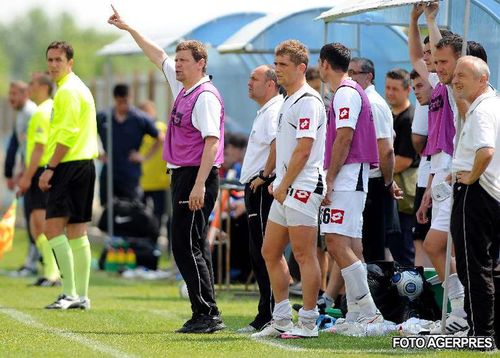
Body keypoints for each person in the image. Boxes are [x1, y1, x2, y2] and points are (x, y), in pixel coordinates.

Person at [108, 6, 225, 333]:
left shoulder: (204, 97)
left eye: (184, 60)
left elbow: (212, 143)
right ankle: (204, 311)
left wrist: (199, 185)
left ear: (201, 63)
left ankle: (208, 313)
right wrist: (129, 27)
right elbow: (156, 53)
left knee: (185, 245)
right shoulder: (183, 88)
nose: (176, 64)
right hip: (184, 175)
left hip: (195, 175)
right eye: (177, 59)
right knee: (191, 244)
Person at [252, 40, 326, 339]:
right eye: (276, 63)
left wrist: (282, 185)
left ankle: (308, 321)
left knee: (303, 253)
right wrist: (275, 180)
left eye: (283, 65)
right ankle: (282, 317)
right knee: (269, 250)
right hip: (285, 187)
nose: (277, 70)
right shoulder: (288, 100)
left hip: (304, 185)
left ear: (301, 68)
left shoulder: (309, 100)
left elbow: (304, 150)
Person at [318, 43, 383, 334]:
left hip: (348, 174)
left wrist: (330, 179)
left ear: (324, 64)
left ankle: (368, 310)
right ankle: (358, 311)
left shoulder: (345, 92)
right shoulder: (345, 91)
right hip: (352, 174)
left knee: (335, 242)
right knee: (352, 245)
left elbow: (344, 137)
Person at [412, 2, 468, 334]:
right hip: (442, 168)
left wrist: (430, 20)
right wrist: (416, 20)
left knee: (440, 246)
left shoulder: (454, 85)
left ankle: (461, 312)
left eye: (441, 58)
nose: (433, 62)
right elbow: (417, 57)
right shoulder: (439, 84)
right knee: (440, 246)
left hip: (455, 168)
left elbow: (447, 59)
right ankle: (459, 311)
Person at [39, 41, 98, 310]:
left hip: (70, 165)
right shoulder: (73, 88)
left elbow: (68, 134)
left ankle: (70, 292)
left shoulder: (68, 92)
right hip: (82, 165)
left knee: (52, 228)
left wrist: (50, 168)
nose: (53, 65)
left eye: (58, 60)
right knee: (76, 230)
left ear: (69, 62)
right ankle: (80, 296)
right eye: (50, 60)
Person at [451, 56, 499, 347]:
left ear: (482, 80)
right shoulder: (494, 104)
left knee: (473, 267)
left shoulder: (481, 110)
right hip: (493, 194)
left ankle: (482, 335)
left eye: (463, 75)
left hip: (476, 193)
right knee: (492, 268)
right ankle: (490, 332)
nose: (456, 80)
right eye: (456, 74)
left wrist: (469, 177)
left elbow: (486, 151)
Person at [237, 65, 282, 333]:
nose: (249, 83)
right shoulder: (265, 110)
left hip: (263, 189)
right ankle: (266, 313)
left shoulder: (274, 110)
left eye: (254, 78)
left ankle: (272, 314)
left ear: (270, 84)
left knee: (267, 253)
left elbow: (277, 145)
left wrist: (264, 176)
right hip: (256, 187)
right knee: (259, 254)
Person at [348, 57, 399, 263]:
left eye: (354, 73)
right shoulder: (361, 101)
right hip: (366, 181)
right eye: (347, 73)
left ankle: (377, 293)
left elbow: (385, 149)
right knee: (362, 244)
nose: (349, 78)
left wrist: (387, 182)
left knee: (373, 247)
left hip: (373, 182)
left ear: (368, 76)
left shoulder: (373, 104)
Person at [17, 72, 60, 286]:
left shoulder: (42, 112)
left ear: (43, 87)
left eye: (32, 84)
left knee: (42, 225)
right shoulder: (44, 110)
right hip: (38, 171)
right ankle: (49, 271)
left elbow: (39, 148)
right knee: (37, 226)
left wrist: (26, 177)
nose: (29, 88)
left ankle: (52, 273)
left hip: (41, 171)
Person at [97, 84, 160, 206]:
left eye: (126, 101)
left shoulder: (140, 118)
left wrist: (144, 157)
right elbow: (86, 133)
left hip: (130, 174)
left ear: (130, 98)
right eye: (120, 102)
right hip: (109, 173)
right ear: (115, 99)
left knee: (132, 210)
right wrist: (98, 154)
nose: (123, 105)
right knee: (107, 211)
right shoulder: (103, 117)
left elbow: (160, 138)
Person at [4, 81, 39, 277]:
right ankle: (32, 261)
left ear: (26, 94)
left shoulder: (31, 113)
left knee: (36, 219)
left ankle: (34, 263)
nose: (11, 98)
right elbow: (23, 147)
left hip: (36, 172)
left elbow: (36, 147)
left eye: (14, 93)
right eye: (10, 94)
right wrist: (17, 172)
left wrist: (26, 174)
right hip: (29, 171)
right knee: (31, 217)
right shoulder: (21, 113)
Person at [385, 68, 418, 266]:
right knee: (392, 243)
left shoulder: (409, 119)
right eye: (387, 87)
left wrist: (380, 167)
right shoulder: (389, 114)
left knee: (404, 246)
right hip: (393, 191)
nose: (389, 92)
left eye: (395, 89)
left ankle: (411, 291)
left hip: (405, 194)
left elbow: (405, 160)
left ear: (407, 90)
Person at [408, 70, 433, 267]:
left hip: (433, 180)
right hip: (428, 178)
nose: (416, 92)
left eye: (420, 86)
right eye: (413, 87)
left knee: (430, 243)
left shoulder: (438, 98)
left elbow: (418, 137)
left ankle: (451, 295)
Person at [137, 100, 169, 239]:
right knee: (144, 215)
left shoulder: (160, 127)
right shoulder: (139, 130)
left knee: (159, 214)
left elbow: (161, 140)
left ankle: (152, 241)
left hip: (159, 181)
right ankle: (146, 240)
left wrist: (146, 157)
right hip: (143, 181)